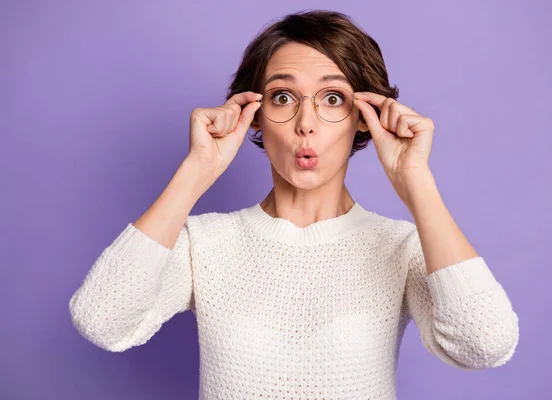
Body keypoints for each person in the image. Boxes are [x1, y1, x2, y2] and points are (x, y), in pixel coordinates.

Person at [68, 9, 519, 399]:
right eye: (283, 97)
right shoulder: (204, 243)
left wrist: (415, 181)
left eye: (332, 98)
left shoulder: (400, 248)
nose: (306, 124)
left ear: (364, 119)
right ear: (255, 115)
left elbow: (485, 344)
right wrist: (197, 171)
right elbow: (101, 320)